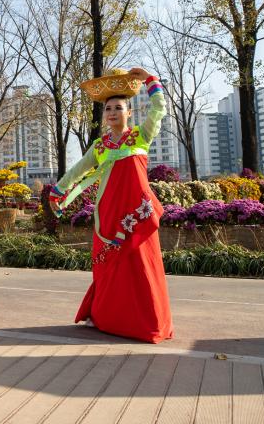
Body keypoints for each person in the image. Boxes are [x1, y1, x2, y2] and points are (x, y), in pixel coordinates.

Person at [49, 68, 173, 344]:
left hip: (136, 215)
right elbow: (78, 170)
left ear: (129, 112)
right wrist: (58, 189)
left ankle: (146, 320)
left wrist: (151, 80)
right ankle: (104, 314)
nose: (113, 112)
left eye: (118, 108)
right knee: (107, 266)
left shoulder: (140, 136)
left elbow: (159, 110)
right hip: (107, 213)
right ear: (104, 115)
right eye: (108, 109)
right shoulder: (100, 146)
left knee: (139, 264)